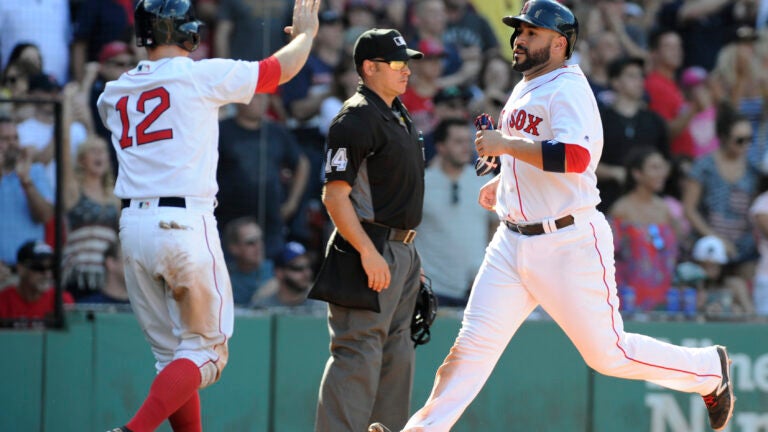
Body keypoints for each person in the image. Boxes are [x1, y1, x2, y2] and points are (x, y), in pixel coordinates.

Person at [369, 2, 734, 432]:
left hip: (567, 241)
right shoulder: (529, 82)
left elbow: (577, 157)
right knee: (472, 347)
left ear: (559, 44)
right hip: (511, 241)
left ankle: (708, 369)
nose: (520, 39)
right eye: (519, 31)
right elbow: (534, 148)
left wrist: (506, 147)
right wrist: (505, 180)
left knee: (608, 354)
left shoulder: (569, 88)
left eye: (532, 33)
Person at [96, 0, 320, 430]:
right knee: (208, 352)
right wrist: (306, 36)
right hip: (183, 223)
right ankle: (133, 430)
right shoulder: (199, 74)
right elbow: (280, 71)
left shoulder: (114, 91)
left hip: (133, 227)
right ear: (184, 32)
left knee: (173, 357)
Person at [315, 28, 425, 432]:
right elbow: (335, 196)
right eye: (397, 63)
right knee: (357, 354)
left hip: (401, 248)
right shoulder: (356, 117)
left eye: (407, 62)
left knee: (397, 357)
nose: (406, 70)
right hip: (368, 246)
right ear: (369, 67)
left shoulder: (396, 112)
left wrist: (411, 257)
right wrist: (366, 251)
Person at [216, 93, 310, 261]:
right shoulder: (221, 130)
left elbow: (301, 164)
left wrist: (292, 203)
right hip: (229, 218)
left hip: (270, 217)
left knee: (270, 267)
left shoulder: (276, 131)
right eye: (254, 97)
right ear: (239, 100)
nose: (260, 102)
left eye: (263, 97)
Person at [415, 118, 494, 307]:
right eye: (458, 142)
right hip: (432, 290)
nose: (466, 147)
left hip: (476, 289)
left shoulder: (485, 179)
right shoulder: (421, 183)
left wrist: (487, 270)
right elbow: (406, 234)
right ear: (441, 146)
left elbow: (496, 227)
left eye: (468, 141)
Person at [609, 147, 679, 312]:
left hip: (664, 297)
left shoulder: (665, 209)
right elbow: (608, 255)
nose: (662, 173)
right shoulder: (621, 209)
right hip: (628, 299)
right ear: (637, 174)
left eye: (663, 167)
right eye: (654, 168)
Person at [0, 116, 54, 267]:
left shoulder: (35, 171)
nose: (12, 143)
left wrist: (26, 181)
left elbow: (44, 216)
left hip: (29, 269)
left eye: (15, 138)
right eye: (5, 139)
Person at [0, 241, 74, 324]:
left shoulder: (62, 299)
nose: (47, 274)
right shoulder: (3, 300)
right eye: (39, 267)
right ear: (21, 269)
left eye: (51, 267)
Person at [251, 241, 325, 311]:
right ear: (279, 273)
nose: (307, 273)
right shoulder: (263, 308)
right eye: (298, 268)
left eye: (309, 267)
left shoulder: (322, 307)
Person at [222, 216, 278, 307]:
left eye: (260, 239)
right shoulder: (224, 279)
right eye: (250, 242)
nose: (259, 246)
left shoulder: (278, 270)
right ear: (234, 248)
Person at [78, 240, 130, 305]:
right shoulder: (86, 307)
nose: (135, 266)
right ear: (111, 263)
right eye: (128, 260)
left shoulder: (143, 307)